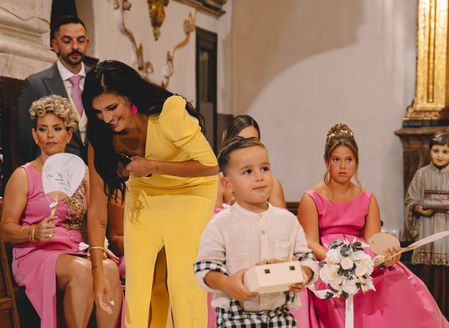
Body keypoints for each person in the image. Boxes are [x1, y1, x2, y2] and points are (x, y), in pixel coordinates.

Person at [83, 60, 218, 327]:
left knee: (181, 280)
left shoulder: (169, 113)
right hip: (145, 192)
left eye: (112, 108)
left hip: (191, 191)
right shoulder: (100, 137)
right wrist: (97, 272)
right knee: (139, 284)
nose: (107, 118)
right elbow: (97, 207)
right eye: (99, 112)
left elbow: (210, 166)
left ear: (129, 96)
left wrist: (151, 166)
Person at [298, 123, 449, 328]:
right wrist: (335, 260)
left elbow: (372, 241)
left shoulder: (367, 197)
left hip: (361, 259)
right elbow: (308, 241)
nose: (343, 166)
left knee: (396, 277)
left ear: (357, 163)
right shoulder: (311, 197)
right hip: (325, 260)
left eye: (349, 160)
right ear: (326, 162)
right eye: (336, 160)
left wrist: (382, 257)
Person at [1, 95, 122, 327]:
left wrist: (99, 248)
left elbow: (93, 219)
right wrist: (33, 232)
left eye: (57, 128)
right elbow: (5, 230)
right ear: (35, 135)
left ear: (69, 134)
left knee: (109, 269)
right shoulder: (23, 175)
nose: (49, 135)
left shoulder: (82, 173)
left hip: (77, 249)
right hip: (36, 253)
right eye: (43, 129)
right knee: (82, 271)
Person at [194, 136, 318, 327]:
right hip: (235, 317)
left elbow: (306, 257)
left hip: (280, 316)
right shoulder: (221, 224)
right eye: (248, 171)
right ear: (228, 184)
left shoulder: (287, 221)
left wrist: (305, 273)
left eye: (265, 168)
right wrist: (226, 284)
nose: (259, 176)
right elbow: (205, 268)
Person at [405, 132, 449, 326]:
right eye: (436, 150)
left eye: (444, 151)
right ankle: (426, 318)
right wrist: (419, 208)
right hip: (427, 234)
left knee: (448, 277)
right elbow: (410, 200)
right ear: (430, 151)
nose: (439, 155)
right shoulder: (421, 174)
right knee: (427, 276)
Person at [17, 15, 90, 162]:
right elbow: (26, 142)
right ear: (55, 45)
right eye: (67, 41)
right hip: (55, 174)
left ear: (87, 43)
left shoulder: (99, 79)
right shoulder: (36, 84)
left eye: (80, 40)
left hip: (98, 175)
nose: (75, 47)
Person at [218, 115, 286, 209]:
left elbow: (281, 220)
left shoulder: (272, 183)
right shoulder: (219, 182)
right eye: (239, 140)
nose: (246, 146)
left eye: (252, 141)